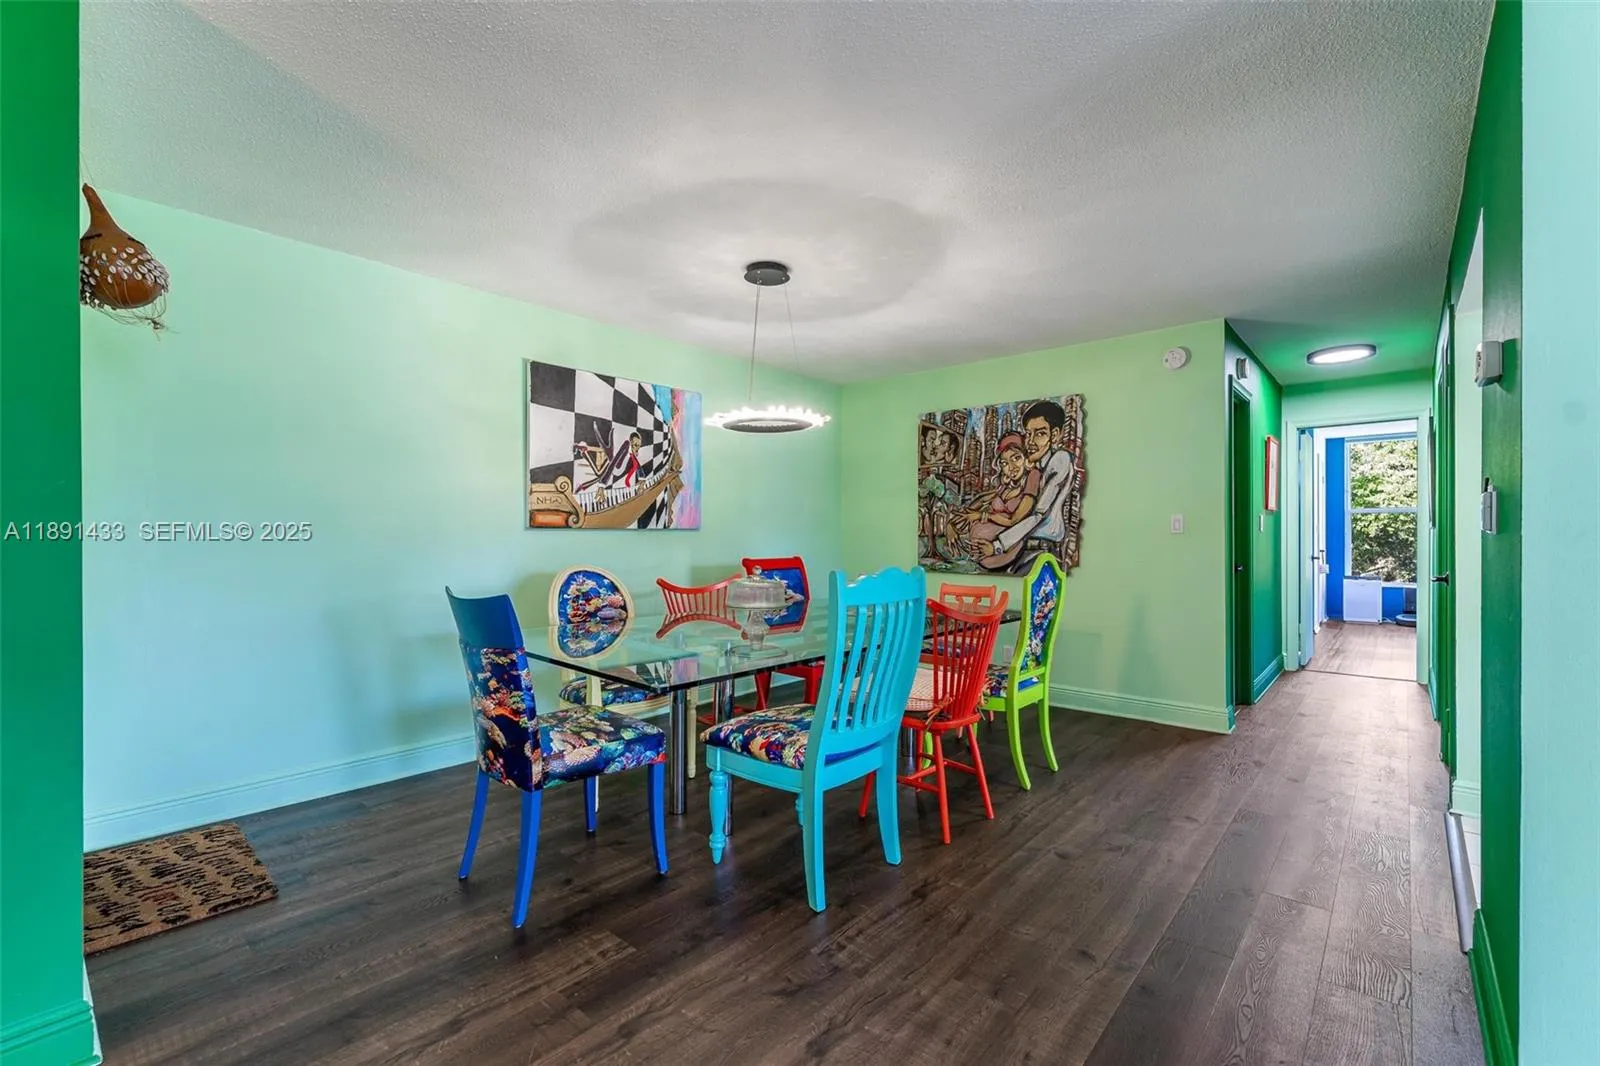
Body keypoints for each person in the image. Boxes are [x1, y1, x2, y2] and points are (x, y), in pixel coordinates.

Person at [974, 400, 1075, 569]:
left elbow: (1038, 514)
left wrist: (997, 546)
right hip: (1024, 551)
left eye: (1040, 434)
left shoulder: (1060, 460)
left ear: (1055, 435)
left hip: (1042, 551)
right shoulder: (1035, 468)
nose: (1031, 441)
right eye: (1028, 434)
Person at [955, 434, 1039, 568]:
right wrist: (953, 523)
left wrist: (982, 516)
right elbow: (982, 499)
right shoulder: (1005, 486)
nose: (1011, 467)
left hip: (1004, 551)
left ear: (1026, 458)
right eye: (1004, 463)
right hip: (980, 555)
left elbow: (1013, 520)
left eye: (1016, 458)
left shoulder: (1033, 477)